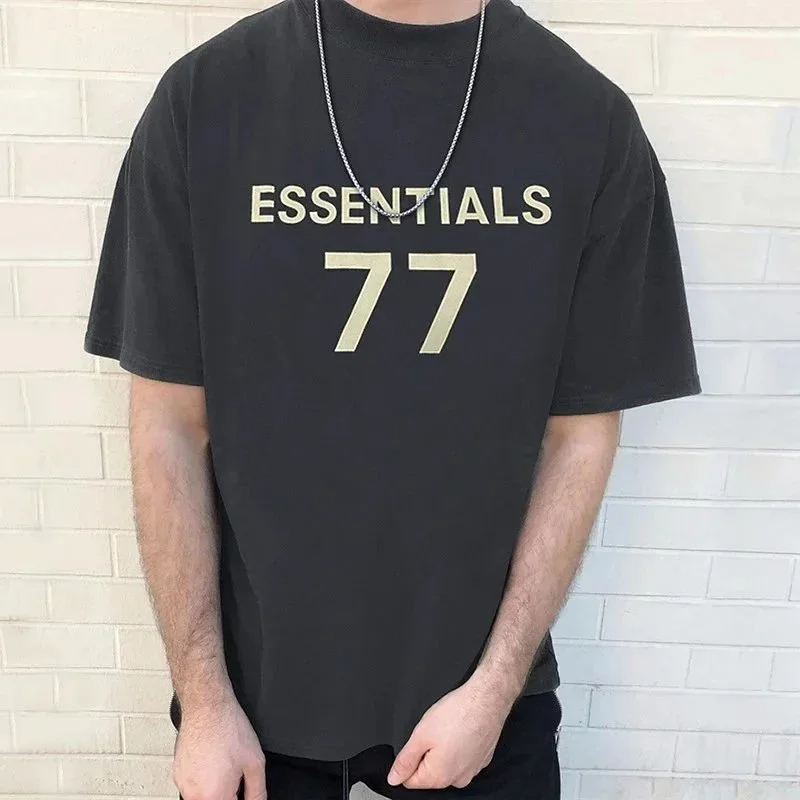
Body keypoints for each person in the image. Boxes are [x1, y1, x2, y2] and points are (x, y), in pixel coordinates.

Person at [83, 0, 701, 797]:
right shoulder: (206, 99)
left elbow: (581, 435)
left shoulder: (587, 118)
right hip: (252, 703)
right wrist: (204, 701)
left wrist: (494, 687)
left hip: (481, 701)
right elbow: (168, 423)